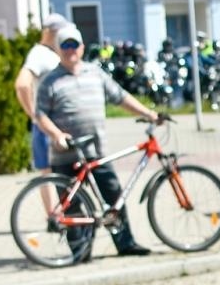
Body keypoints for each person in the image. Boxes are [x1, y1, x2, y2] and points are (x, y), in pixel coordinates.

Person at [34, 24, 161, 257]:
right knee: (72, 205)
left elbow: (120, 97)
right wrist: (56, 135)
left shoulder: (95, 73)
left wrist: (148, 114)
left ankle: (125, 243)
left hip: (95, 151)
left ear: (82, 48)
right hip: (65, 154)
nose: (70, 50)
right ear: (59, 50)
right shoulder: (50, 81)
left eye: (74, 45)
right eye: (65, 45)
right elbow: (39, 114)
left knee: (113, 195)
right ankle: (80, 251)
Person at [15, 13, 69, 181]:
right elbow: (22, 84)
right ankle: (53, 208)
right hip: (46, 125)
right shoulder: (39, 54)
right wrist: (34, 115)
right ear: (51, 32)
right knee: (49, 174)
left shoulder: (51, 53)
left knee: (58, 174)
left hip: (56, 123)